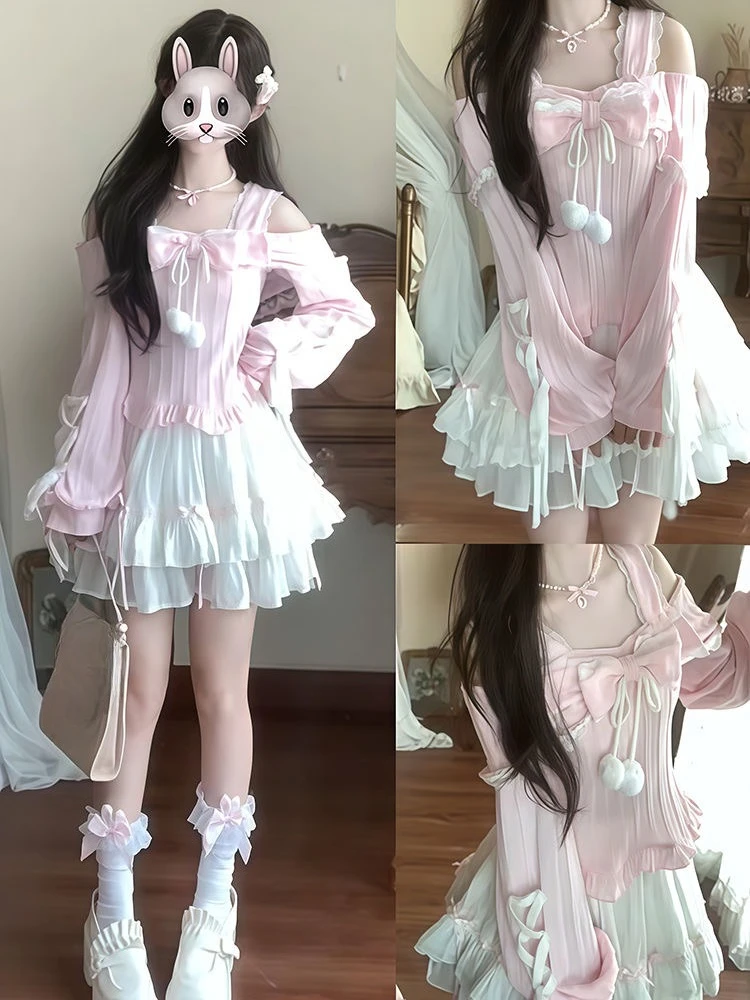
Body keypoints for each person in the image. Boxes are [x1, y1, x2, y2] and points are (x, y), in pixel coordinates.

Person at [24, 10, 374, 999]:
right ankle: (112, 910)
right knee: (137, 693)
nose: (209, 113)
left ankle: (214, 906)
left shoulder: (266, 214)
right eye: (194, 93)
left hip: (234, 472)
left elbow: (343, 309)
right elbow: (105, 362)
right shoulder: (119, 213)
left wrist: (269, 351)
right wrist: (86, 476)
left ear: (253, 103)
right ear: (170, 87)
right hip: (146, 469)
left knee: (224, 689)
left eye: (230, 96)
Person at [436, 0, 750, 542]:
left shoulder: (667, 43)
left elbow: (674, 233)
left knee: (630, 552)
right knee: (557, 562)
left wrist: (644, 377)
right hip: (543, 348)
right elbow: (512, 247)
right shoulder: (483, 62)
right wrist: (565, 378)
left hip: (657, 338)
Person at [416, 544, 750, 999]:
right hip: (551, 863)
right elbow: (521, 801)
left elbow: (716, 677)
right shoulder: (502, 616)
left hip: (650, 865)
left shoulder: (644, 568)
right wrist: (556, 949)